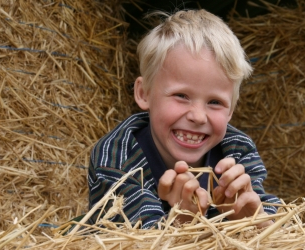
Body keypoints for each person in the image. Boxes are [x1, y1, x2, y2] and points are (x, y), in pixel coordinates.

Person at [88, 9, 281, 229]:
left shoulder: (237, 151)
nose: (198, 116)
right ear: (144, 93)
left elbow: (278, 227)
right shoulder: (116, 157)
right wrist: (182, 223)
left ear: (231, 110)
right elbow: (131, 248)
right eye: (181, 96)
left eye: (215, 102)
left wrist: (255, 222)